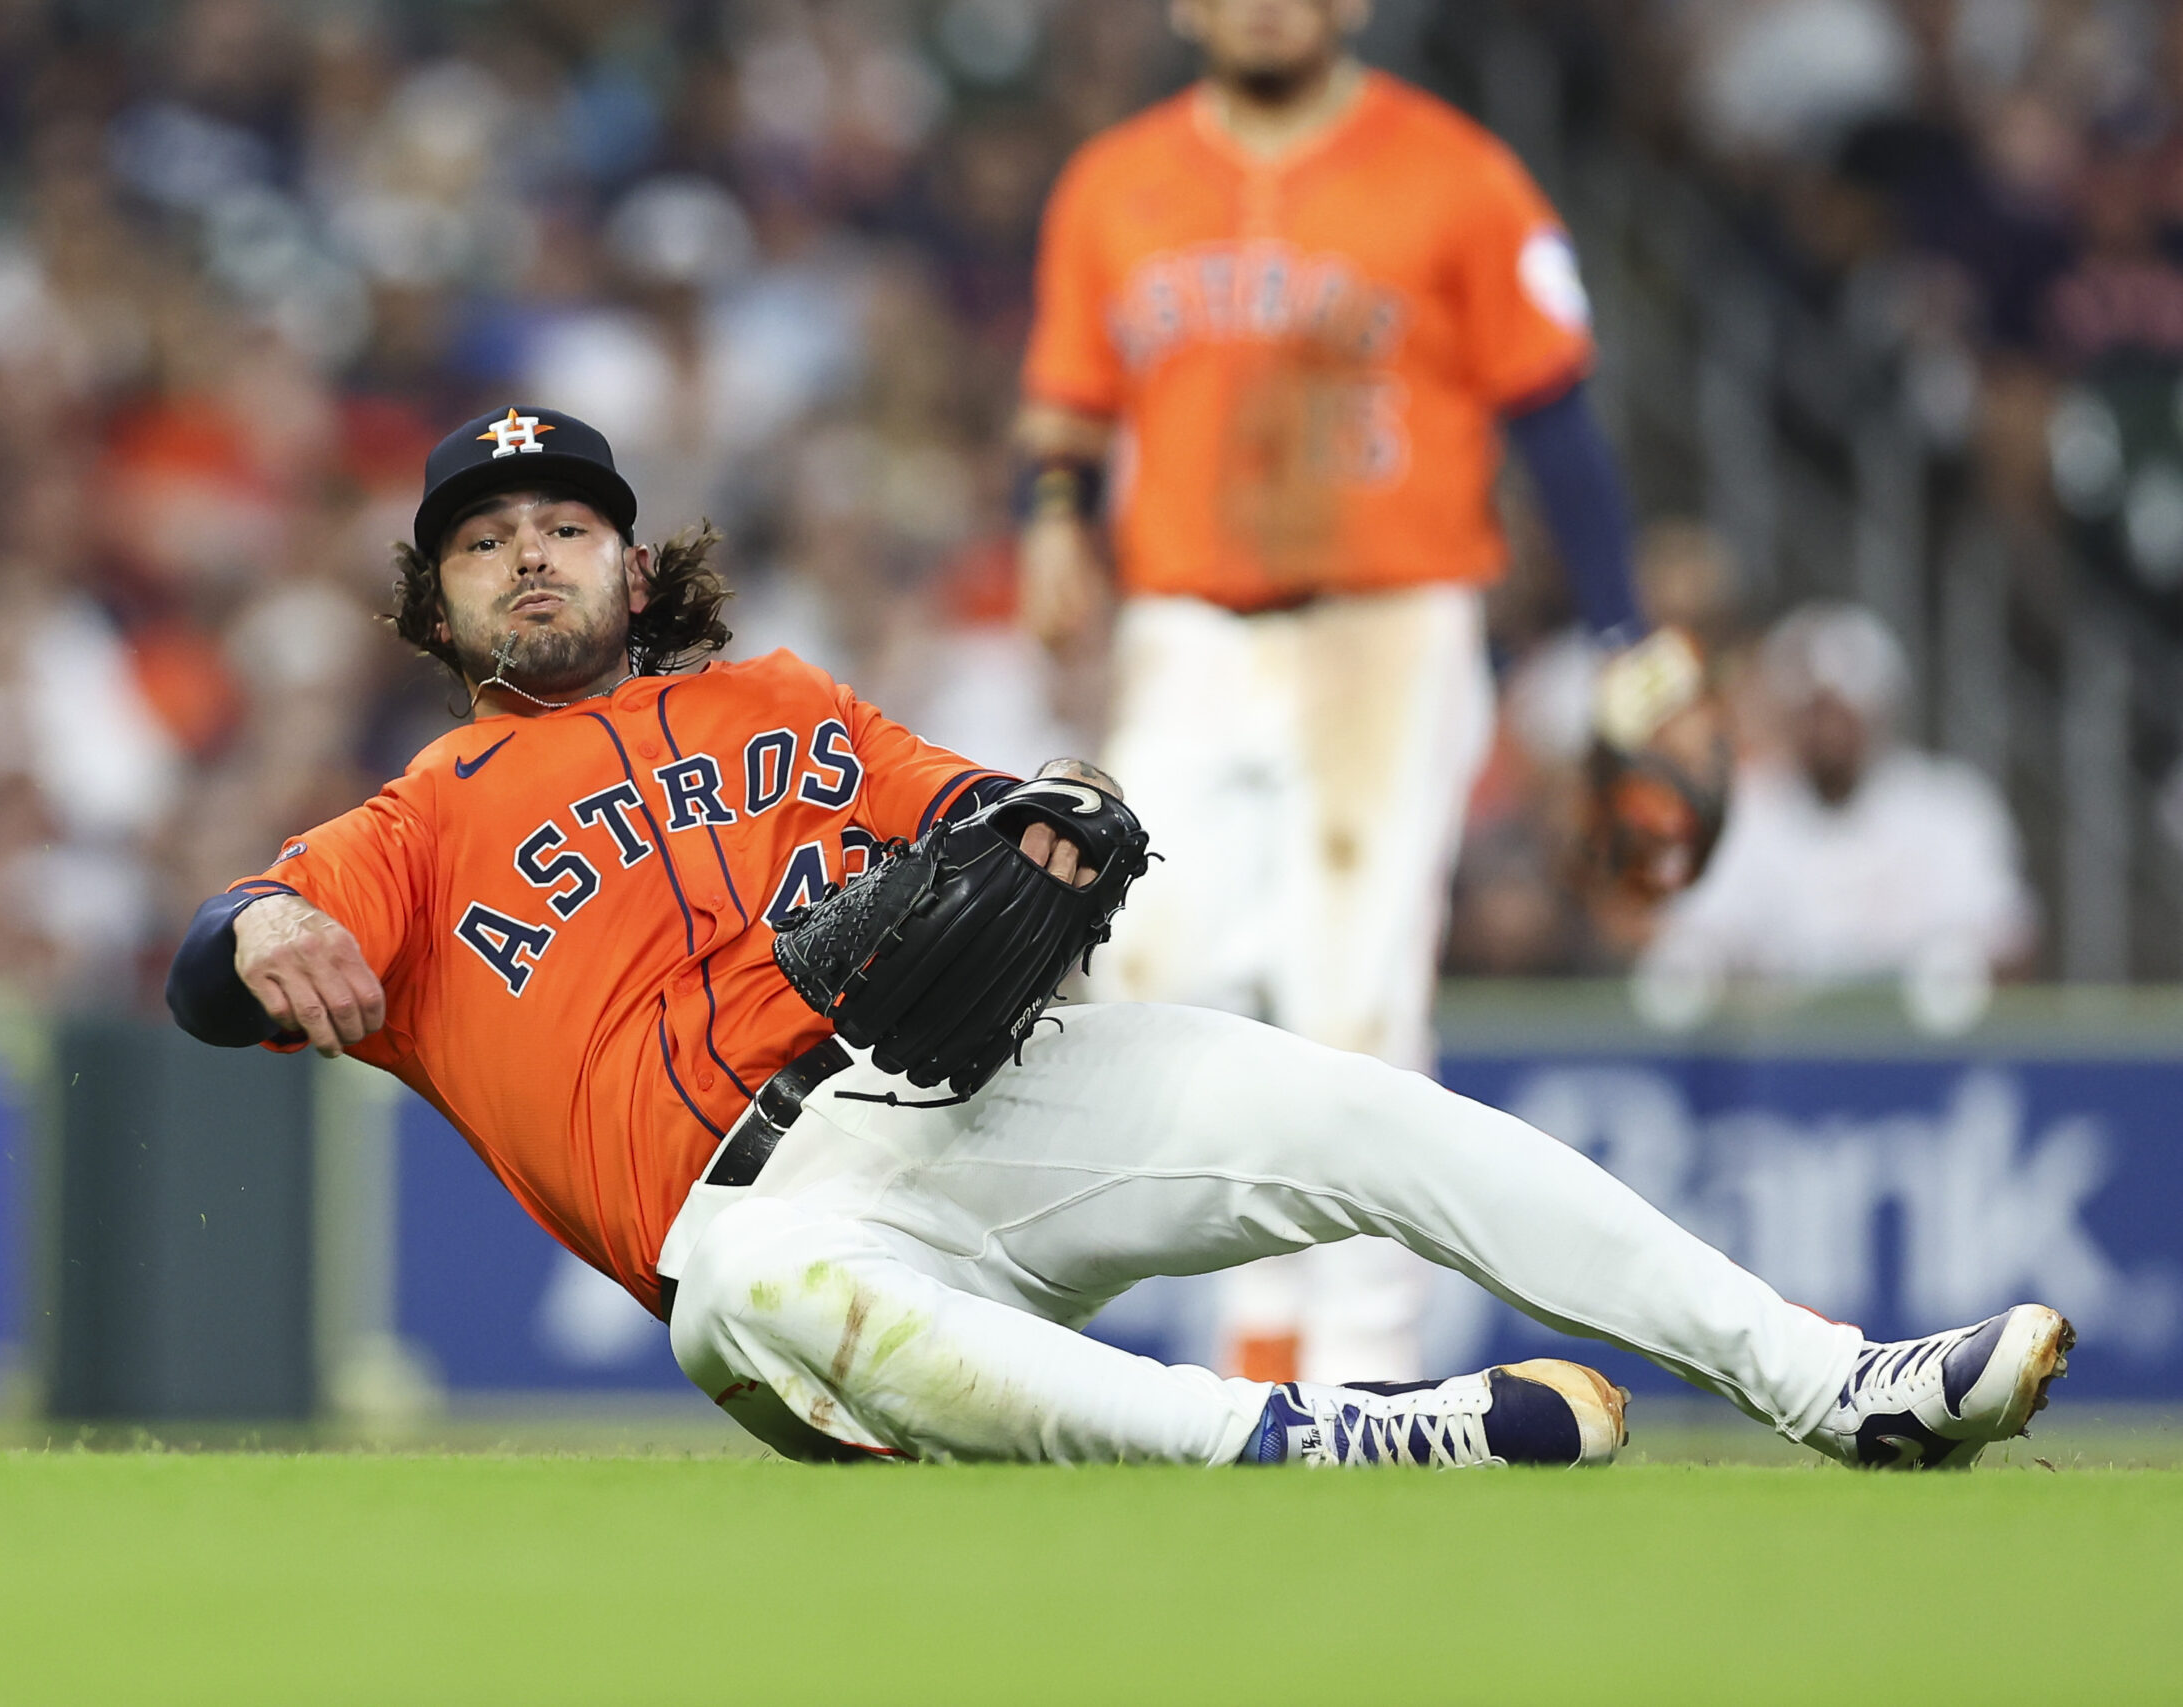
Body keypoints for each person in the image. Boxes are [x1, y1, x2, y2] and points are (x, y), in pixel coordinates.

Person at [164, 405, 2072, 1469]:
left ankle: (1837, 1381)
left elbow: (997, 811)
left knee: (1374, 1114)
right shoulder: (406, 827)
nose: (528, 550)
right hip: (773, 1227)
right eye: (485, 532)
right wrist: (250, 933)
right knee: (751, 1283)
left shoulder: (787, 706)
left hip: (959, 1096)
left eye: (566, 521)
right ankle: (1317, 1437)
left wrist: (1053, 820)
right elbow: (219, 947)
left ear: (633, 567)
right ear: (433, 599)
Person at [1014, 0, 1682, 1385]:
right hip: (1188, 626)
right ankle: (1257, 1342)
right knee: (1154, 979)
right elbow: (1069, 401)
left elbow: (1552, 407)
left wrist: (1625, 630)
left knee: (1354, 1004)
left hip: (1388, 622)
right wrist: (1053, 515)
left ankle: (1364, 1362)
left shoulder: (1456, 172)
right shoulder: (1114, 182)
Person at [1639, 602, 2034, 1031]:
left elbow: (2008, 939)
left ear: (1880, 708)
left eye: (1844, 704)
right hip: (1780, 1056)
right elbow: (1693, 939)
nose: (1827, 724)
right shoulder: (1746, 809)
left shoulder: (1949, 807)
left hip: (1921, 1065)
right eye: (1812, 706)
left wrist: (1959, 968)